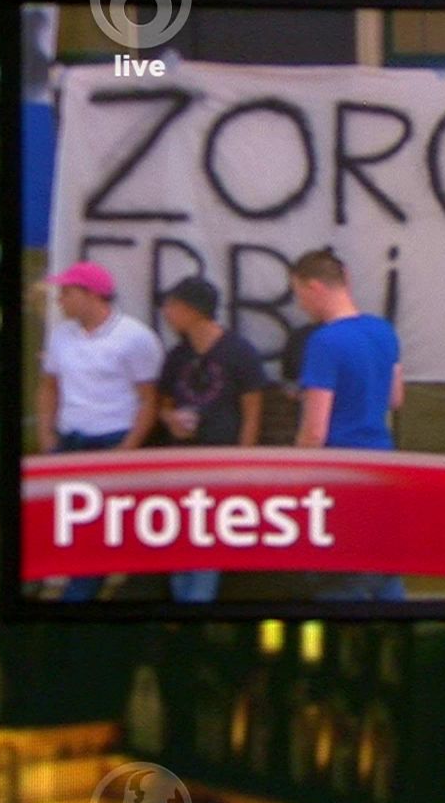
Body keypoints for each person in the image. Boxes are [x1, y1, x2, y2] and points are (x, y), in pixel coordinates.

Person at [37, 261, 163, 601]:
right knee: (61, 523)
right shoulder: (61, 335)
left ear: (92, 295)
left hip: (111, 440)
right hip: (69, 440)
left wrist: (127, 448)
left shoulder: (135, 337)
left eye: (67, 292)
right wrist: (47, 435)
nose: (60, 300)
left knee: (96, 530)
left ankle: (78, 597)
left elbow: (149, 399)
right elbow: (49, 386)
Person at [289, 248, 405, 601]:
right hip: (382, 466)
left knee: (339, 580)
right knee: (383, 569)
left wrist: (294, 472)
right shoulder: (383, 331)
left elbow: (315, 430)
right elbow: (395, 397)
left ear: (314, 287)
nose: (301, 306)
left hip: (338, 474)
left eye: (299, 295)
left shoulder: (324, 342)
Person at [155, 276, 269, 602]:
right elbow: (163, 403)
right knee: (179, 538)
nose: (166, 312)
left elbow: (252, 411)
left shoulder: (239, 351)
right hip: (180, 462)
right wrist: (171, 419)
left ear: (192, 310)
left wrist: (243, 461)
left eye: (172, 305)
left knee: (207, 541)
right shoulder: (177, 355)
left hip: (221, 463)